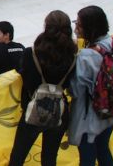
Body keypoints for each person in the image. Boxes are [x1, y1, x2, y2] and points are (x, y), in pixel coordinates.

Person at [69, 5, 113, 166]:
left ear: (90, 28)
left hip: (89, 116)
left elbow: (75, 90)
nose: (76, 29)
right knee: (103, 149)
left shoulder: (86, 56)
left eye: (79, 25)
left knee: (87, 157)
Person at [8, 10, 78, 166]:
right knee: (49, 158)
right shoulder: (73, 57)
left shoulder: (30, 53)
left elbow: (26, 79)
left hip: (33, 111)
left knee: (18, 157)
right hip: (59, 111)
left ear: (46, 27)